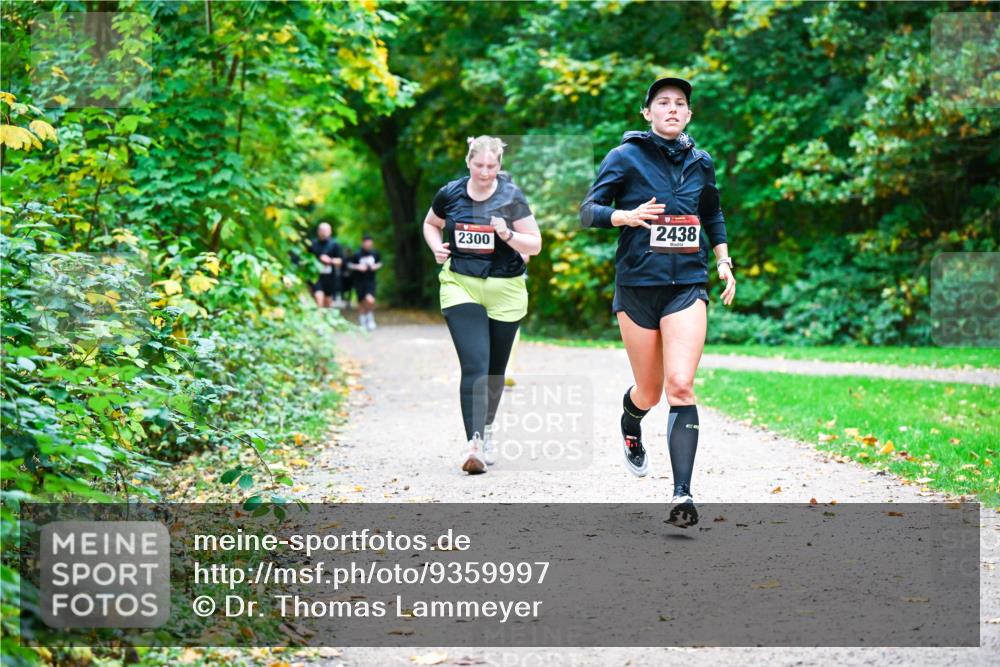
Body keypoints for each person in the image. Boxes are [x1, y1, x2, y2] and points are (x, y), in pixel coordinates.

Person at [580, 77, 736, 527]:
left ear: (688, 114)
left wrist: (724, 261)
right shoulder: (624, 157)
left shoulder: (701, 162)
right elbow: (587, 210)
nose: (672, 109)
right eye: (663, 103)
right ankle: (631, 424)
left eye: (680, 103)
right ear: (646, 112)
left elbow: (713, 214)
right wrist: (622, 216)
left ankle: (682, 495)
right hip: (637, 288)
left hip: (687, 284)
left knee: (680, 386)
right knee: (648, 392)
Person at [422, 136, 541, 474]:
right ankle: (473, 444)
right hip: (461, 284)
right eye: (479, 165)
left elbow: (535, 244)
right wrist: (436, 247)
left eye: (492, 166)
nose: (485, 172)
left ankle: (487, 430)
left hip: (506, 287)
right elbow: (431, 224)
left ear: (499, 166)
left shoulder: (511, 197)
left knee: (494, 371)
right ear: (468, 161)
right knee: (475, 364)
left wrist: (507, 236)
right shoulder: (450, 193)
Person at [347, 235, 382, 331]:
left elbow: (380, 263)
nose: (367, 244)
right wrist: (358, 267)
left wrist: (376, 266)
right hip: (359, 281)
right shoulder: (357, 254)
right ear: (362, 243)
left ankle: (370, 318)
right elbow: (349, 265)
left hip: (371, 280)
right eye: (366, 242)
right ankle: (362, 321)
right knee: (361, 301)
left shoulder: (375, 253)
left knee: (370, 300)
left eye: (369, 242)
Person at [309, 222, 343, 310]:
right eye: (321, 230)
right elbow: (306, 259)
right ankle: (318, 321)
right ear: (318, 231)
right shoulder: (312, 244)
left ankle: (326, 319)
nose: (323, 232)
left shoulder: (335, 244)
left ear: (330, 231)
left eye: (325, 230)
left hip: (330, 277)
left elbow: (341, 261)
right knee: (318, 298)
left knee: (327, 302)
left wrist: (330, 260)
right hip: (316, 276)